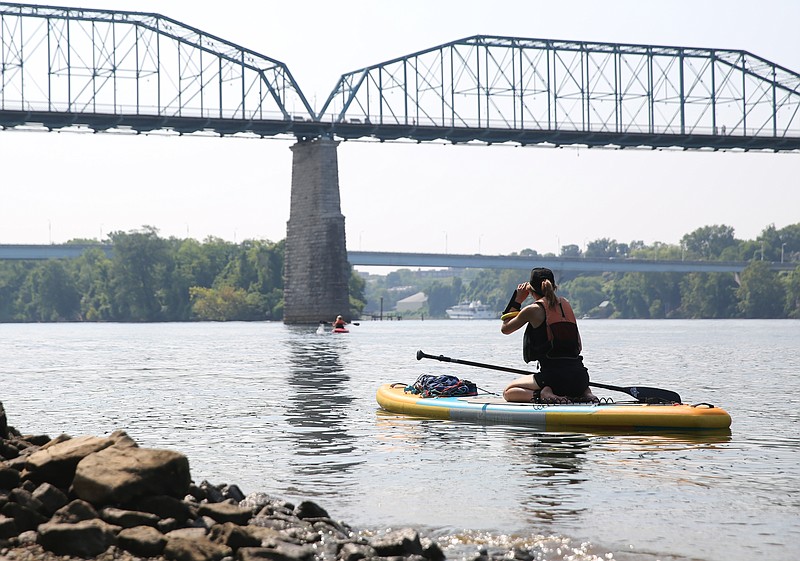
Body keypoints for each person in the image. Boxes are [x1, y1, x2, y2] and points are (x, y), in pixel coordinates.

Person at [500, 267, 598, 403]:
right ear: (554, 287)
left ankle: (543, 394)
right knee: (570, 378)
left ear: (531, 290)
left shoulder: (532, 310)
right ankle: (586, 392)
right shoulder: (566, 305)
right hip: (581, 377)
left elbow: (505, 328)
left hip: (553, 378)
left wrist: (517, 300)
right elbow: (578, 346)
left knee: (508, 392)